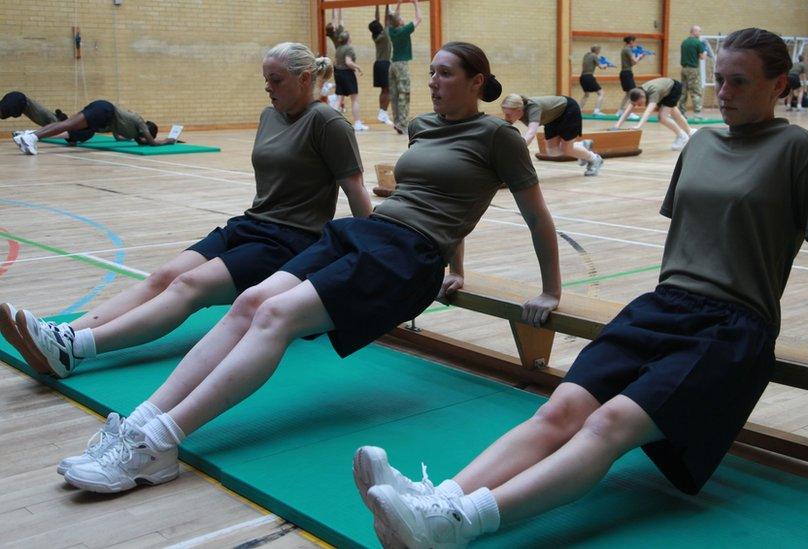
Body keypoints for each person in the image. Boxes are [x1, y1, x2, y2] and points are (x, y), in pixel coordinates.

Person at [357, 28, 808, 549]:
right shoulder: (702, 144)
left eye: (740, 82)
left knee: (608, 425)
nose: (725, 92)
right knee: (558, 412)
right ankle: (437, 496)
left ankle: (458, 523)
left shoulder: (803, 153)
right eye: (720, 81)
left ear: (779, 83)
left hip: (732, 327)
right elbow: (684, 235)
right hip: (663, 306)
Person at [57, 42, 563, 496]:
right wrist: (461, 266)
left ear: (478, 82)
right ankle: (142, 422)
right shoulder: (423, 126)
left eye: (446, 74)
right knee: (249, 302)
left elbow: (532, 215)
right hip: (366, 232)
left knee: (277, 317)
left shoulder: (500, 136)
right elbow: (432, 193)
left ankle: (161, 443)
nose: (433, 82)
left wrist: (549, 290)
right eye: (431, 72)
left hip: (409, 257)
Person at [2, 43, 371, 387]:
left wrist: (371, 258)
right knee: (162, 275)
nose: (268, 89)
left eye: (276, 81)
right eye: (265, 81)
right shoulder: (269, 116)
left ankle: (76, 348)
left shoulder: (328, 123)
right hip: (248, 224)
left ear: (305, 79)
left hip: (290, 241)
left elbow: (355, 190)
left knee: (187, 288)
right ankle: (62, 335)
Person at [11, 98, 174, 155]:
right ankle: (31, 137)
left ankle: (27, 135)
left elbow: (118, 136)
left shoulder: (130, 130)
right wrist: (167, 140)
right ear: (147, 132)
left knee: (67, 126)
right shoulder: (139, 122)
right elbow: (152, 143)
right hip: (104, 110)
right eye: (147, 136)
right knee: (67, 125)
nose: (145, 139)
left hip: (102, 112)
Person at [501, 94, 603, 176]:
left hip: (569, 110)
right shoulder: (519, 110)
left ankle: (594, 159)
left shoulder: (533, 109)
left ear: (519, 110)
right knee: (553, 152)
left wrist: (516, 149)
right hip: (553, 118)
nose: (506, 117)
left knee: (566, 149)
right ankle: (581, 146)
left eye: (508, 114)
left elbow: (531, 133)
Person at [614, 77, 694, 151]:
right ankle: (690, 132)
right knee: (675, 113)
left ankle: (682, 136)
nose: (638, 106)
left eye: (639, 103)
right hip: (664, 91)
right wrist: (616, 126)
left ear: (643, 96)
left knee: (662, 117)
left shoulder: (653, 92)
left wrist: (639, 126)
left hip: (673, 88)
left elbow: (648, 112)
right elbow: (627, 112)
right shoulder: (636, 93)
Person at [388, 0, 422, 134]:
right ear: (400, 22)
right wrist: (415, 3)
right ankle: (403, 123)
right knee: (404, 93)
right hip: (401, 64)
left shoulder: (392, 30)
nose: (402, 18)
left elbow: (394, 17)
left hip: (393, 65)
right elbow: (419, 18)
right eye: (401, 18)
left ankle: (397, 122)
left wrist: (399, 3)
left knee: (394, 94)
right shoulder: (404, 30)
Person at [334, 30, 369, 132]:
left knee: (339, 99)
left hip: (338, 74)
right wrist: (358, 67)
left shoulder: (338, 48)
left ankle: (332, 121)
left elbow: (335, 62)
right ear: (348, 39)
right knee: (354, 99)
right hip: (347, 74)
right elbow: (348, 62)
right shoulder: (349, 49)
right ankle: (358, 123)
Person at [371, 5, 395, 125]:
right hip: (384, 64)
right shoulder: (385, 34)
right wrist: (386, 4)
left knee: (384, 90)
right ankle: (383, 112)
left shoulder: (375, 36)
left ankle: (382, 113)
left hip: (378, 65)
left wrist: (377, 5)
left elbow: (377, 21)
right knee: (389, 90)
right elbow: (386, 20)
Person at [679, 25, 707, 116]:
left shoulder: (684, 42)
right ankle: (697, 114)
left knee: (683, 91)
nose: (699, 33)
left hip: (684, 69)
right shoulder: (697, 43)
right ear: (694, 32)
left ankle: (682, 112)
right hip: (693, 69)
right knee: (695, 91)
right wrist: (705, 51)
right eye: (699, 31)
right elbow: (702, 57)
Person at [616, 35, 647, 116]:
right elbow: (634, 60)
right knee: (633, 93)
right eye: (634, 41)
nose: (634, 43)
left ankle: (620, 111)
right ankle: (629, 113)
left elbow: (631, 64)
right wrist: (640, 56)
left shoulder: (625, 49)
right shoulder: (627, 49)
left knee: (628, 94)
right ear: (631, 42)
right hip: (626, 73)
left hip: (625, 72)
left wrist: (640, 57)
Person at [579, 45, 607, 115]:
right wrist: (605, 65)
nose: (599, 52)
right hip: (589, 77)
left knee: (586, 95)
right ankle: (596, 111)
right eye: (599, 50)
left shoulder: (586, 55)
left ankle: (578, 110)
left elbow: (592, 62)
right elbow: (600, 66)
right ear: (597, 50)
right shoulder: (594, 55)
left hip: (582, 77)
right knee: (601, 93)